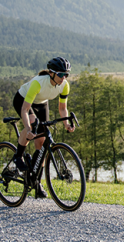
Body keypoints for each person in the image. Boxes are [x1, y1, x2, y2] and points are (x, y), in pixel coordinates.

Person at [12, 57, 76, 197]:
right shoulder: (38, 83)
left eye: (66, 74)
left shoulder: (64, 85)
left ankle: (36, 181)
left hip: (41, 103)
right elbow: (24, 110)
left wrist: (67, 125)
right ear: (52, 73)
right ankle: (18, 156)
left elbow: (63, 108)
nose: (63, 77)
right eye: (60, 74)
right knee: (33, 124)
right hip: (23, 100)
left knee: (41, 145)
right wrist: (28, 129)